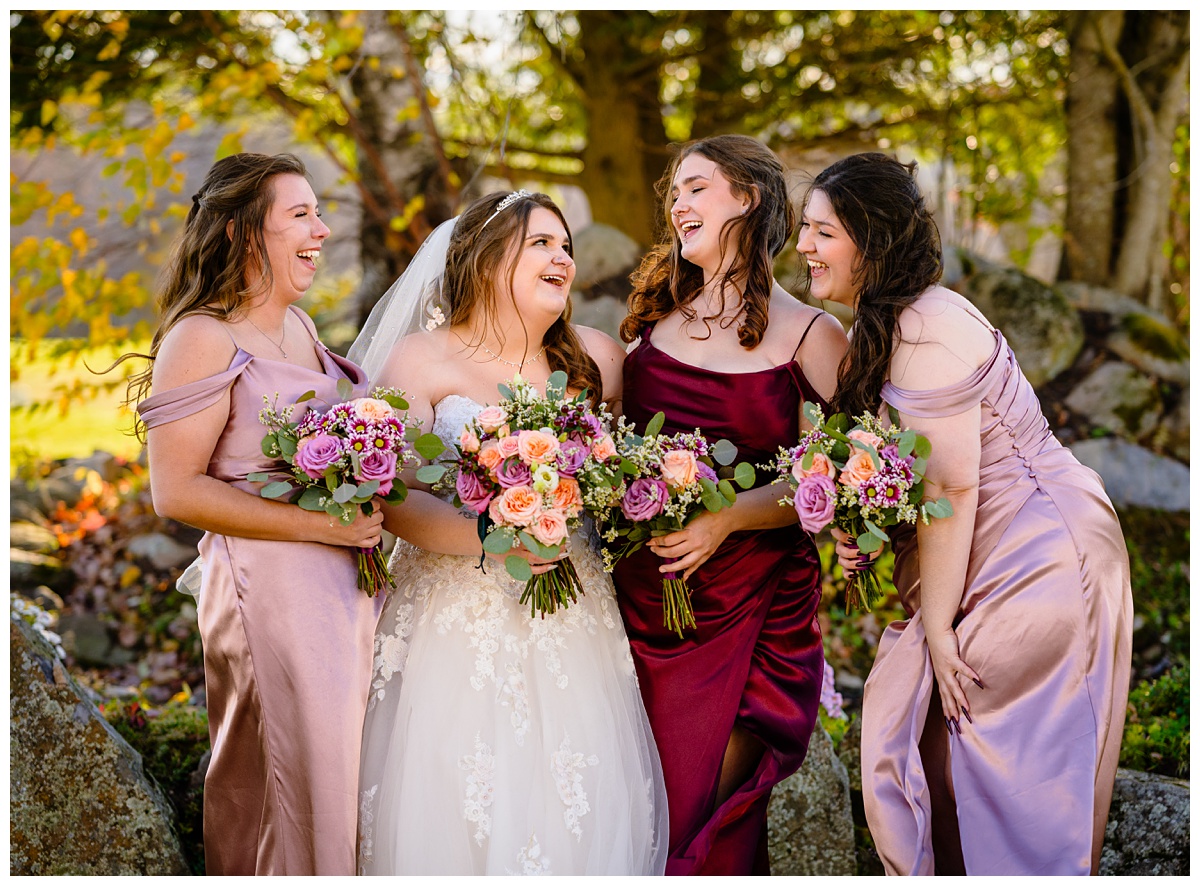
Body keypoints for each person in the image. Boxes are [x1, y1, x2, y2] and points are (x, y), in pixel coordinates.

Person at [798, 152, 1133, 875]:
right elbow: (904, 478)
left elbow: (952, 491)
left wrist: (940, 630)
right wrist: (862, 530)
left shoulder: (927, 328)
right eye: (804, 230)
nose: (803, 248)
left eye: (822, 232)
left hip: (1036, 548)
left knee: (993, 757)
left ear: (870, 237)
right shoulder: (884, 328)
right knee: (936, 744)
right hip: (987, 545)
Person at [348, 190, 668, 875]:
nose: (563, 257)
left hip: (573, 618)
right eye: (542, 243)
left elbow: (624, 480)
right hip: (451, 621)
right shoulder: (420, 361)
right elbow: (391, 495)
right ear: (489, 260)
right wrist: (497, 538)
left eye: (567, 247)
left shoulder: (598, 361)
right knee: (457, 798)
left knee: (577, 799)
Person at [133, 152, 385, 875]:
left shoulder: (301, 325)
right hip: (265, 589)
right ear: (246, 234)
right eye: (300, 214)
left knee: (342, 779)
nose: (323, 229)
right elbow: (176, 491)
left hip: (343, 586)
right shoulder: (203, 338)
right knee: (293, 783)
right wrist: (319, 526)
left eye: (318, 212)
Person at [612, 134, 848, 874]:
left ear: (746, 197)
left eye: (695, 187)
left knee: (695, 807)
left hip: (750, 604)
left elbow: (849, 469)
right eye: (674, 193)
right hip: (635, 600)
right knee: (623, 798)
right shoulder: (651, 318)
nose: (677, 204)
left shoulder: (812, 333)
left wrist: (733, 516)